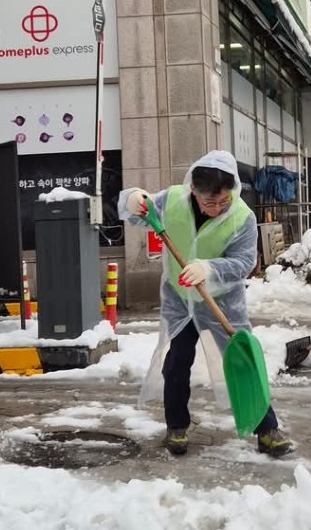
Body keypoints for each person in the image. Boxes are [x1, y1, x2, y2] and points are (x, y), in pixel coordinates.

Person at [119, 151, 292, 459]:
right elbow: (136, 213)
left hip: (223, 302)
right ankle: (176, 427)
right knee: (176, 363)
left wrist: (209, 269)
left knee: (244, 362)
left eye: (222, 202)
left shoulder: (242, 216)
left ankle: (267, 430)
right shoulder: (172, 199)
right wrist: (133, 199)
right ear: (193, 191)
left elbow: (244, 262)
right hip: (181, 302)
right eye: (208, 202)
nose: (215, 208)